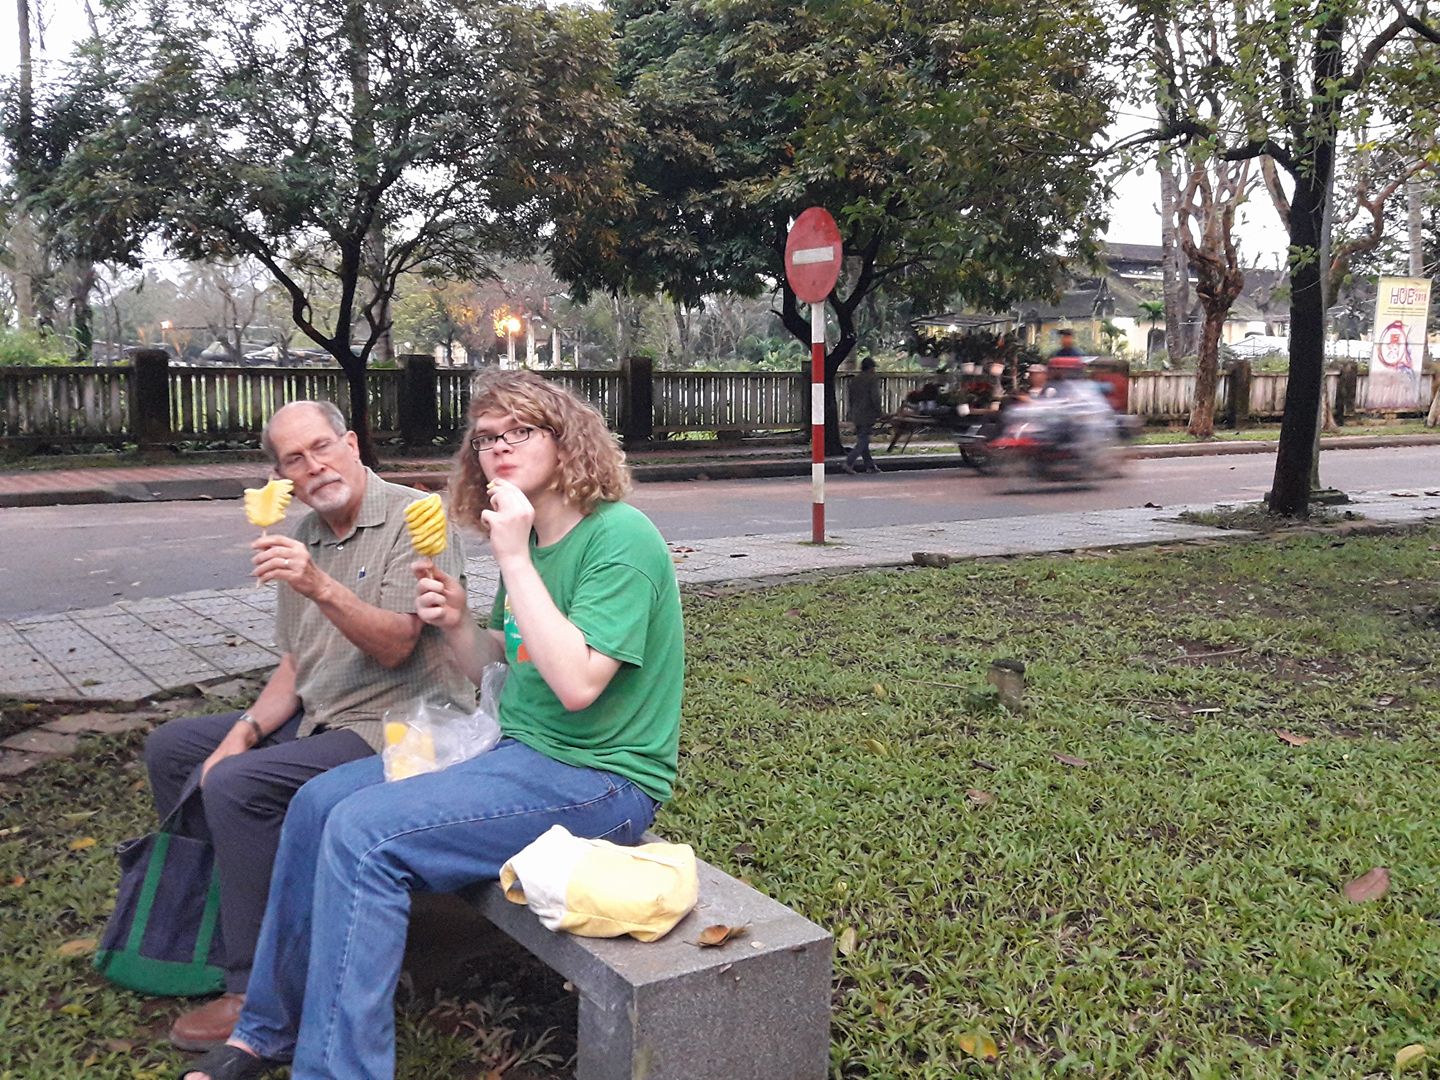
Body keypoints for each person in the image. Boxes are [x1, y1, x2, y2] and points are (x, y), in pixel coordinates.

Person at [180, 370, 684, 1080]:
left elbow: (576, 686)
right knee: (316, 804)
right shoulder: (536, 542)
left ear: (567, 439)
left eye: (522, 431)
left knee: (363, 834)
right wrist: (457, 624)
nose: (500, 448)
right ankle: (264, 1032)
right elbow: (504, 671)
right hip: (519, 750)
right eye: (486, 439)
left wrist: (509, 554)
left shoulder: (618, 539)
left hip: (602, 782)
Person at [142, 400, 471, 1051]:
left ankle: (258, 993)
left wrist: (319, 584)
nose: (314, 465)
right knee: (174, 750)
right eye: (294, 458)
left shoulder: (412, 517)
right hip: (323, 715)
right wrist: (242, 731)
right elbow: (295, 665)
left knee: (237, 787)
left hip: (400, 727)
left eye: (322, 446)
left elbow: (397, 645)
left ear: (351, 443)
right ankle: (225, 929)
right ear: (281, 475)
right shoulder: (303, 533)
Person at [843, 357, 884, 474]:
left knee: (863, 438)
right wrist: (879, 412)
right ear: (871, 368)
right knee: (864, 440)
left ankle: (870, 466)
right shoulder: (872, 379)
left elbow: (850, 398)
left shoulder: (855, 380)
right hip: (867, 413)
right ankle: (849, 462)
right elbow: (875, 397)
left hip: (856, 413)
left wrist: (851, 412)